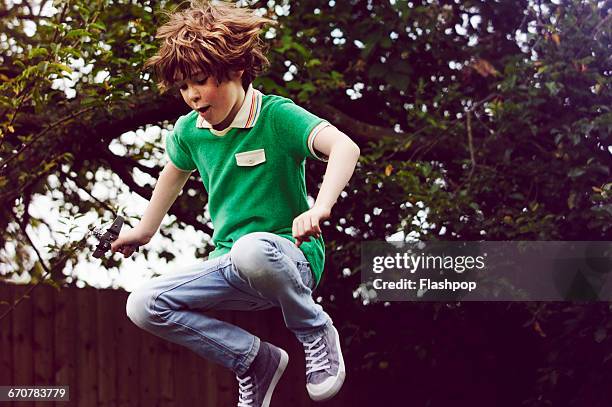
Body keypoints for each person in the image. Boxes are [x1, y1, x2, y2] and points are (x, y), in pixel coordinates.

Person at [111, 1, 360, 406]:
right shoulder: (190, 132)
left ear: (235, 69)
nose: (191, 95)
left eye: (200, 81)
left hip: (290, 257)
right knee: (142, 304)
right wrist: (142, 231)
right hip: (231, 265)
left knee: (252, 249)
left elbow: (344, 147)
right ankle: (253, 361)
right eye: (183, 87)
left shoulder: (275, 116)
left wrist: (320, 207)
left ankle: (314, 329)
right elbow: (170, 179)